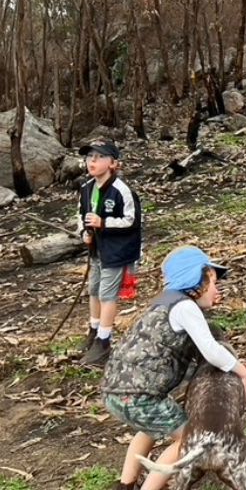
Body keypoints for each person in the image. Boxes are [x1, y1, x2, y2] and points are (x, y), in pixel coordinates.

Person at [101, 245, 246, 490]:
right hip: (140, 396)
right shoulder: (185, 307)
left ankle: (125, 485)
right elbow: (211, 350)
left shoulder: (164, 302)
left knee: (148, 429)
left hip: (114, 390)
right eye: (213, 282)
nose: (217, 289)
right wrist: (241, 370)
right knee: (185, 439)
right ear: (197, 280)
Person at [76, 137, 142, 366]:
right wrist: (83, 232)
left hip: (117, 250)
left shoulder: (121, 190)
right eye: (89, 157)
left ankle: (104, 342)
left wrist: (103, 223)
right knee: (93, 289)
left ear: (113, 163)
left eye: (99, 157)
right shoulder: (86, 189)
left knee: (107, 294)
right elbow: (81, 215)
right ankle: (94, 331)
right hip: (97, 250)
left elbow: (131, 221)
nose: (92, 161)